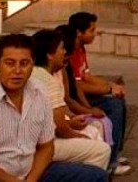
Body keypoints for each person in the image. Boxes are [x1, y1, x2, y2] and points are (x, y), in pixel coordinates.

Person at [0, 33, 107, 181]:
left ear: (33, 63)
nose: (17, 71)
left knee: (95, 176)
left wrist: (31, 179)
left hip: (32, 171)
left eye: (24, 63)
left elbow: (46, 147)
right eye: (9, 63)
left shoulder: (39, 91)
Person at [31, 29, 111, 172]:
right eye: (61, 48)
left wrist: (73, 121)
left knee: (95, 129)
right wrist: (79, 136)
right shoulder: (47, 81)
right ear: (49, 55)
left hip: (40, 139)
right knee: (101, 150)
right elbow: (61, 129)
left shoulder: (39, 74)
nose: (64, 52)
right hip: (42, 145)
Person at [68, 12, 129, 172]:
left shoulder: (81, 49)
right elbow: (78, 86)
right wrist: (107, 90)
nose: (95, 34)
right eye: (92, 30)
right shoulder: (71, 52)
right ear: (79, 33)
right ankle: (111, 162)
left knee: (120, 100)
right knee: (114, 106)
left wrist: (111, 85)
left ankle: (116, 151)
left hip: (84, 95)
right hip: (77, 99)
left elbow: (87, 76)